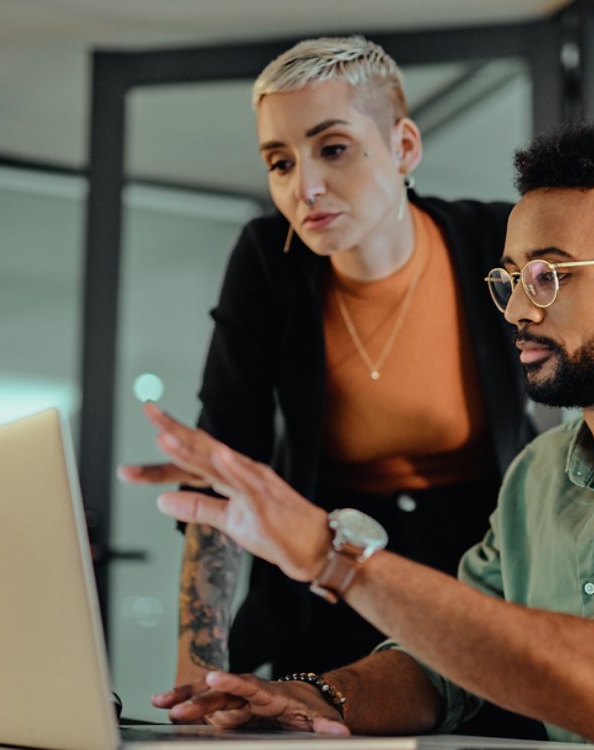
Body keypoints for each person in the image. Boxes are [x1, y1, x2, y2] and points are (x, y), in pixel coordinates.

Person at [122, 122, 594, 749]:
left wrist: (335, 557)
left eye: (550, 276)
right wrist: (321, 698)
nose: (515, 311)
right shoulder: (537, 476)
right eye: (509, 280)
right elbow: (438, 665)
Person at [163, 35, 538, 737]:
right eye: (280, 161)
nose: (302, 187)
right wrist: (196, 679)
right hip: (318, 586)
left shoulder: (497, 243)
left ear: (403, 147)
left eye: (332, 148)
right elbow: (222, 475)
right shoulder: (266, 263)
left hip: (477, 584)